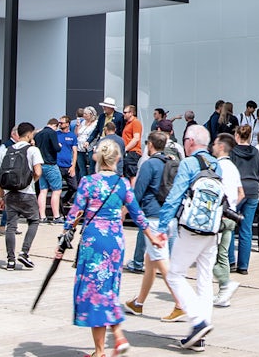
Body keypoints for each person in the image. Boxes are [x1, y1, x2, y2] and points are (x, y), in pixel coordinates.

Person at [57, 138, 164, 357]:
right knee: (107, 289)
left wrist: (63, 237)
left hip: (93, 240)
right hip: (115, 241)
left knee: (94, 292)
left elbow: (74, 214)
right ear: (117, 159)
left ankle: (113, 340)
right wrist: (151, 236)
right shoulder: (122, 183)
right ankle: (101, 350)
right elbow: (137, 213)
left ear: (97, 158)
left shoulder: (88, 182)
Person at [157, 125, 222, 350]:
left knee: (175, 274)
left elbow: (175, 197)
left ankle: (197, 322)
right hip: (212, 231)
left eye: (185, 139)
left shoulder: (188, 163)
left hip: (191, 229)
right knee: (204, 280)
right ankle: (200, 336)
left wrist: (161, 226)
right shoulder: (216, 165)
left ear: (191, 142)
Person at [124, 131, 186, 321]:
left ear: (150, 145)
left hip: (152, 217)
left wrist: (126, 211)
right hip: (169, 217)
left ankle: (180, 303)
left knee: (161, 261)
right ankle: (138, 303)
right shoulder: (171, 162)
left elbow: (138, 192)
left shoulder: (149, 164)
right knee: (151, 261)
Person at [0, 121, 43, 270]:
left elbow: (1, 175)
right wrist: (29, 182)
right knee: (34, 221)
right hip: (27, 193)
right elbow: (38, 172)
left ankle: (10, 260)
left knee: (11, 226)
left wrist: (1, 196)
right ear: (29, 135)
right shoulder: (32, 150)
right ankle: (24, 252)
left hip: (10, 193)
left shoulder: (7, 149)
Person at [211, 132, 245, 307]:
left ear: (221, 147)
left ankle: (226, 284)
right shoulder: (233, 167)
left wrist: (222, 208)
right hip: (231, 215)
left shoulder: (217, 166)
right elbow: (241, 193)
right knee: (222, 254)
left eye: (216, 144)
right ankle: (224, 291)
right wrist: (231, 207)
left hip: (219, 216)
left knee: (209, 255)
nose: (213, 147)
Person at [228, 125, 259, 275]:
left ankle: (230, 261)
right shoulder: (255, 151)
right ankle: (244, 265)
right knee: (246, 229)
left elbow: (230, 172)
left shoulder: (233, 152)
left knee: (229, 226)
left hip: (238, 190)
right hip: (253, 189)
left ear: (236, 136)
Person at [35, 117, 63, 223]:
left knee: (43, 191)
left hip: (40, 165)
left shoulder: (38, 134)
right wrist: (59, 146)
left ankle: (42, 216)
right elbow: (56, 148)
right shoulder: (52, 133)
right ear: (55, 126)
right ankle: (56, 216)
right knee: (56, 190)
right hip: (51, 164)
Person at [57, 116, 79, 207]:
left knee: (74, 187)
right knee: (56, 188)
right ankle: (57, 206)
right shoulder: (56, 134)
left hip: (68, 165)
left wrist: (73, 166)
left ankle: (65, 200)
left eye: (62, 123)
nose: (60, 124)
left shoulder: (72, 136)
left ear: (67, 124)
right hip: (57, 165)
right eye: (59, 123)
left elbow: (75, 151)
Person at [73, 106, 99, 178]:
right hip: (80, 147)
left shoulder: (96, 123)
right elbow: (77, 134)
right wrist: (77, 126)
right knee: (82, 168)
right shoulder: (83, 122)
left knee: (91, 168)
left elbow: (95, 134)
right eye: (83, 114)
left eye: (85, 114)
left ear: (91, 114)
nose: (84, 115)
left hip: (91, 147)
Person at [121, 104, 143, 179]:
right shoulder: (128, 123)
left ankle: (132, 190)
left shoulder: (135, 122)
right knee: (127, 173)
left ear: (131, 113)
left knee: (131, 174)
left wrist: (125, 149)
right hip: (129, 152)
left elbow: (136, 138)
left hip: (133, 152)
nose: (123, 114)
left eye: (125, 112)